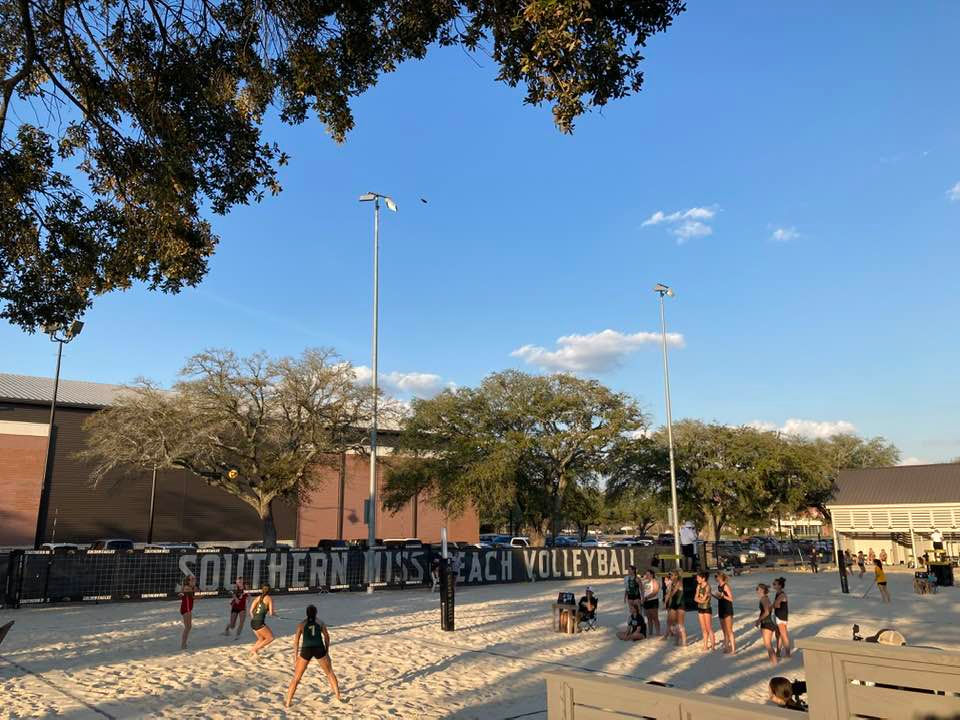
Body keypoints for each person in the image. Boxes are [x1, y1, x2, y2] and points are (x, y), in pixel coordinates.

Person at [285, 604, 344, 707]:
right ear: (316, 613)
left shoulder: (301, 624)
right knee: (329, 673)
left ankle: (288, 702)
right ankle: (338, 696)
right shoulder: (320, 623)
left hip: (306, 650)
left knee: (296, 678)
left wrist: (295, 656)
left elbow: (296, 641)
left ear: (306, 614)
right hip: (319, 648)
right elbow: (327, 637)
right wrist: (327, 650)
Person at [249, 584, 277, 656]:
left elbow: (251, 611)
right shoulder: (269, 598)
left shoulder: (258, 598)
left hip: (253, 622)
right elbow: (271, 613)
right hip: (259, 622)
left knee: (261, 639)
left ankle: (252, 651)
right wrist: (275, 615)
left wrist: (254, 618)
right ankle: (255, 649)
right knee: (270, 638)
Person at [755, 583, 778, 665]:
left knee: (768, 645)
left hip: (766, 623)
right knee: (768, 644)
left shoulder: (763, 599)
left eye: (757, 589)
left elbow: (767, 612)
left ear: (761, 590)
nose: (756, 591)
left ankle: (774, 662)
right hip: (768, 622)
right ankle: (773, 661)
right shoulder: (766, 598)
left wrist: (758, 620)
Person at [713, 572, 735, 654]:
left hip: (727, 609)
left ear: (721, 577)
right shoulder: (719, 586)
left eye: (716, 576)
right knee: (724, 630)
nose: (715, 578)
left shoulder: (726, 586)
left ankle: (733, 649)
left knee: (729, 630)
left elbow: (731, 599)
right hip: (721, 608)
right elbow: (720, 598)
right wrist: (714, 595)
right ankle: (726, 646)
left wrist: (723, 596)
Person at [662, 570, 686, 646]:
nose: (670, 577)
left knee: (680, 624)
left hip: (680, 604)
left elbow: (673, 592)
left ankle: (684, 642)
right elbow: (668, 593)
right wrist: (665, 602)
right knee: (673, 622)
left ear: (676, 576)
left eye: (671, 575)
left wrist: (669, 594)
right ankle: (676, 640)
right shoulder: (672, 583)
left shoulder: (679, 582)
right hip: (673, 604)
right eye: (670, 576)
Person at [694, 571, 715, 652]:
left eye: (698, 578)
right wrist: (700, 600)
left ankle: (713, 646)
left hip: (707, 608)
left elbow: (703, 599)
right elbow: (695, 598)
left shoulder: (707, 586)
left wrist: (700, 600)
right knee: (703, 628)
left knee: (709, 628)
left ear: (703, 578)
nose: (697, 579)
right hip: (700, 608)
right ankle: (705, 645)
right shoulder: (698, 586)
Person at [772, 577, 790, 659]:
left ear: (779, 586)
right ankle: (778, 652)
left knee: (783, 635)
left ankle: (787, 653)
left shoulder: (782, 594)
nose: (773, 585)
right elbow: (776, 604)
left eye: (774, 584)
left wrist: (772, 606)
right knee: (778, 635)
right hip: (778, 615)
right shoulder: (778, 593)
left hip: (781, 616)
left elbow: (776, 604)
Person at [179, 574, 196, 650]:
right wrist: (204, 594)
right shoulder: (187, 588)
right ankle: (183, 644)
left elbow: (194, 598)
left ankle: (184, 644)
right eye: (192, 579)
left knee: (188, 627)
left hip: (187, 608)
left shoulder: (190, 587)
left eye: (194, 579)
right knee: (188, 627)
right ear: (188, 581)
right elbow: (194, 596)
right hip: (186, 608)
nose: (193, 580)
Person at [641, 569, 661, 637]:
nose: (646, 576)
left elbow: (655, 592)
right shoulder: (645, 582)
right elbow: (643, 591)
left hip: (653, 601)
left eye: (648, 574)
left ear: (652, 575)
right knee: (649, 618)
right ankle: (650, 632)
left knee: (655, 617)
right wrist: (643, 598)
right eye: (646, 574)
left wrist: (647, 598)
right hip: (646, 601)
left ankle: (658, 632)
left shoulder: (655, 581)